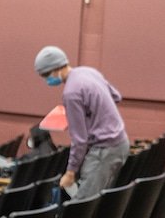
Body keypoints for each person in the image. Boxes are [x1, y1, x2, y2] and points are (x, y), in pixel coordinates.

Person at [34, 45, 129, 199]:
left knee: (82, 205)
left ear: (57, 68)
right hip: (121, 143)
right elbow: (116, 96)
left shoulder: (71, 93)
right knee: (97, 200)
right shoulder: (88, 72)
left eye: (46, 75)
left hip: (104, 149)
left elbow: (79, 140)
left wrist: (70, 173)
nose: (46, 80)